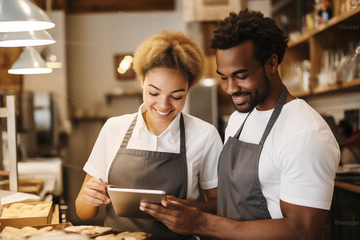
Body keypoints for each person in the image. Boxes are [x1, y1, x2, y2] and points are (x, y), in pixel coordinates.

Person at [140, 9, 340, 239]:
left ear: (272, 63)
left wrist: (202, 223)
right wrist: (184, 209)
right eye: (224, 77)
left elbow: (302, 231)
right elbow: (232, 206)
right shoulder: (239, 119)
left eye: (241, 75)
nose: (230, 88)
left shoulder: (306, 134)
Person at [75, 30, 223, 239]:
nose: (163, 105)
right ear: (142, 80)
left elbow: (221, 207)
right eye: (154, 93)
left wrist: (188, 209)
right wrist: (89, 197)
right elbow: (84, 213)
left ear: (189, 88)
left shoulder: (205, 135)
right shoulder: (113, 128)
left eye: (177, 96)